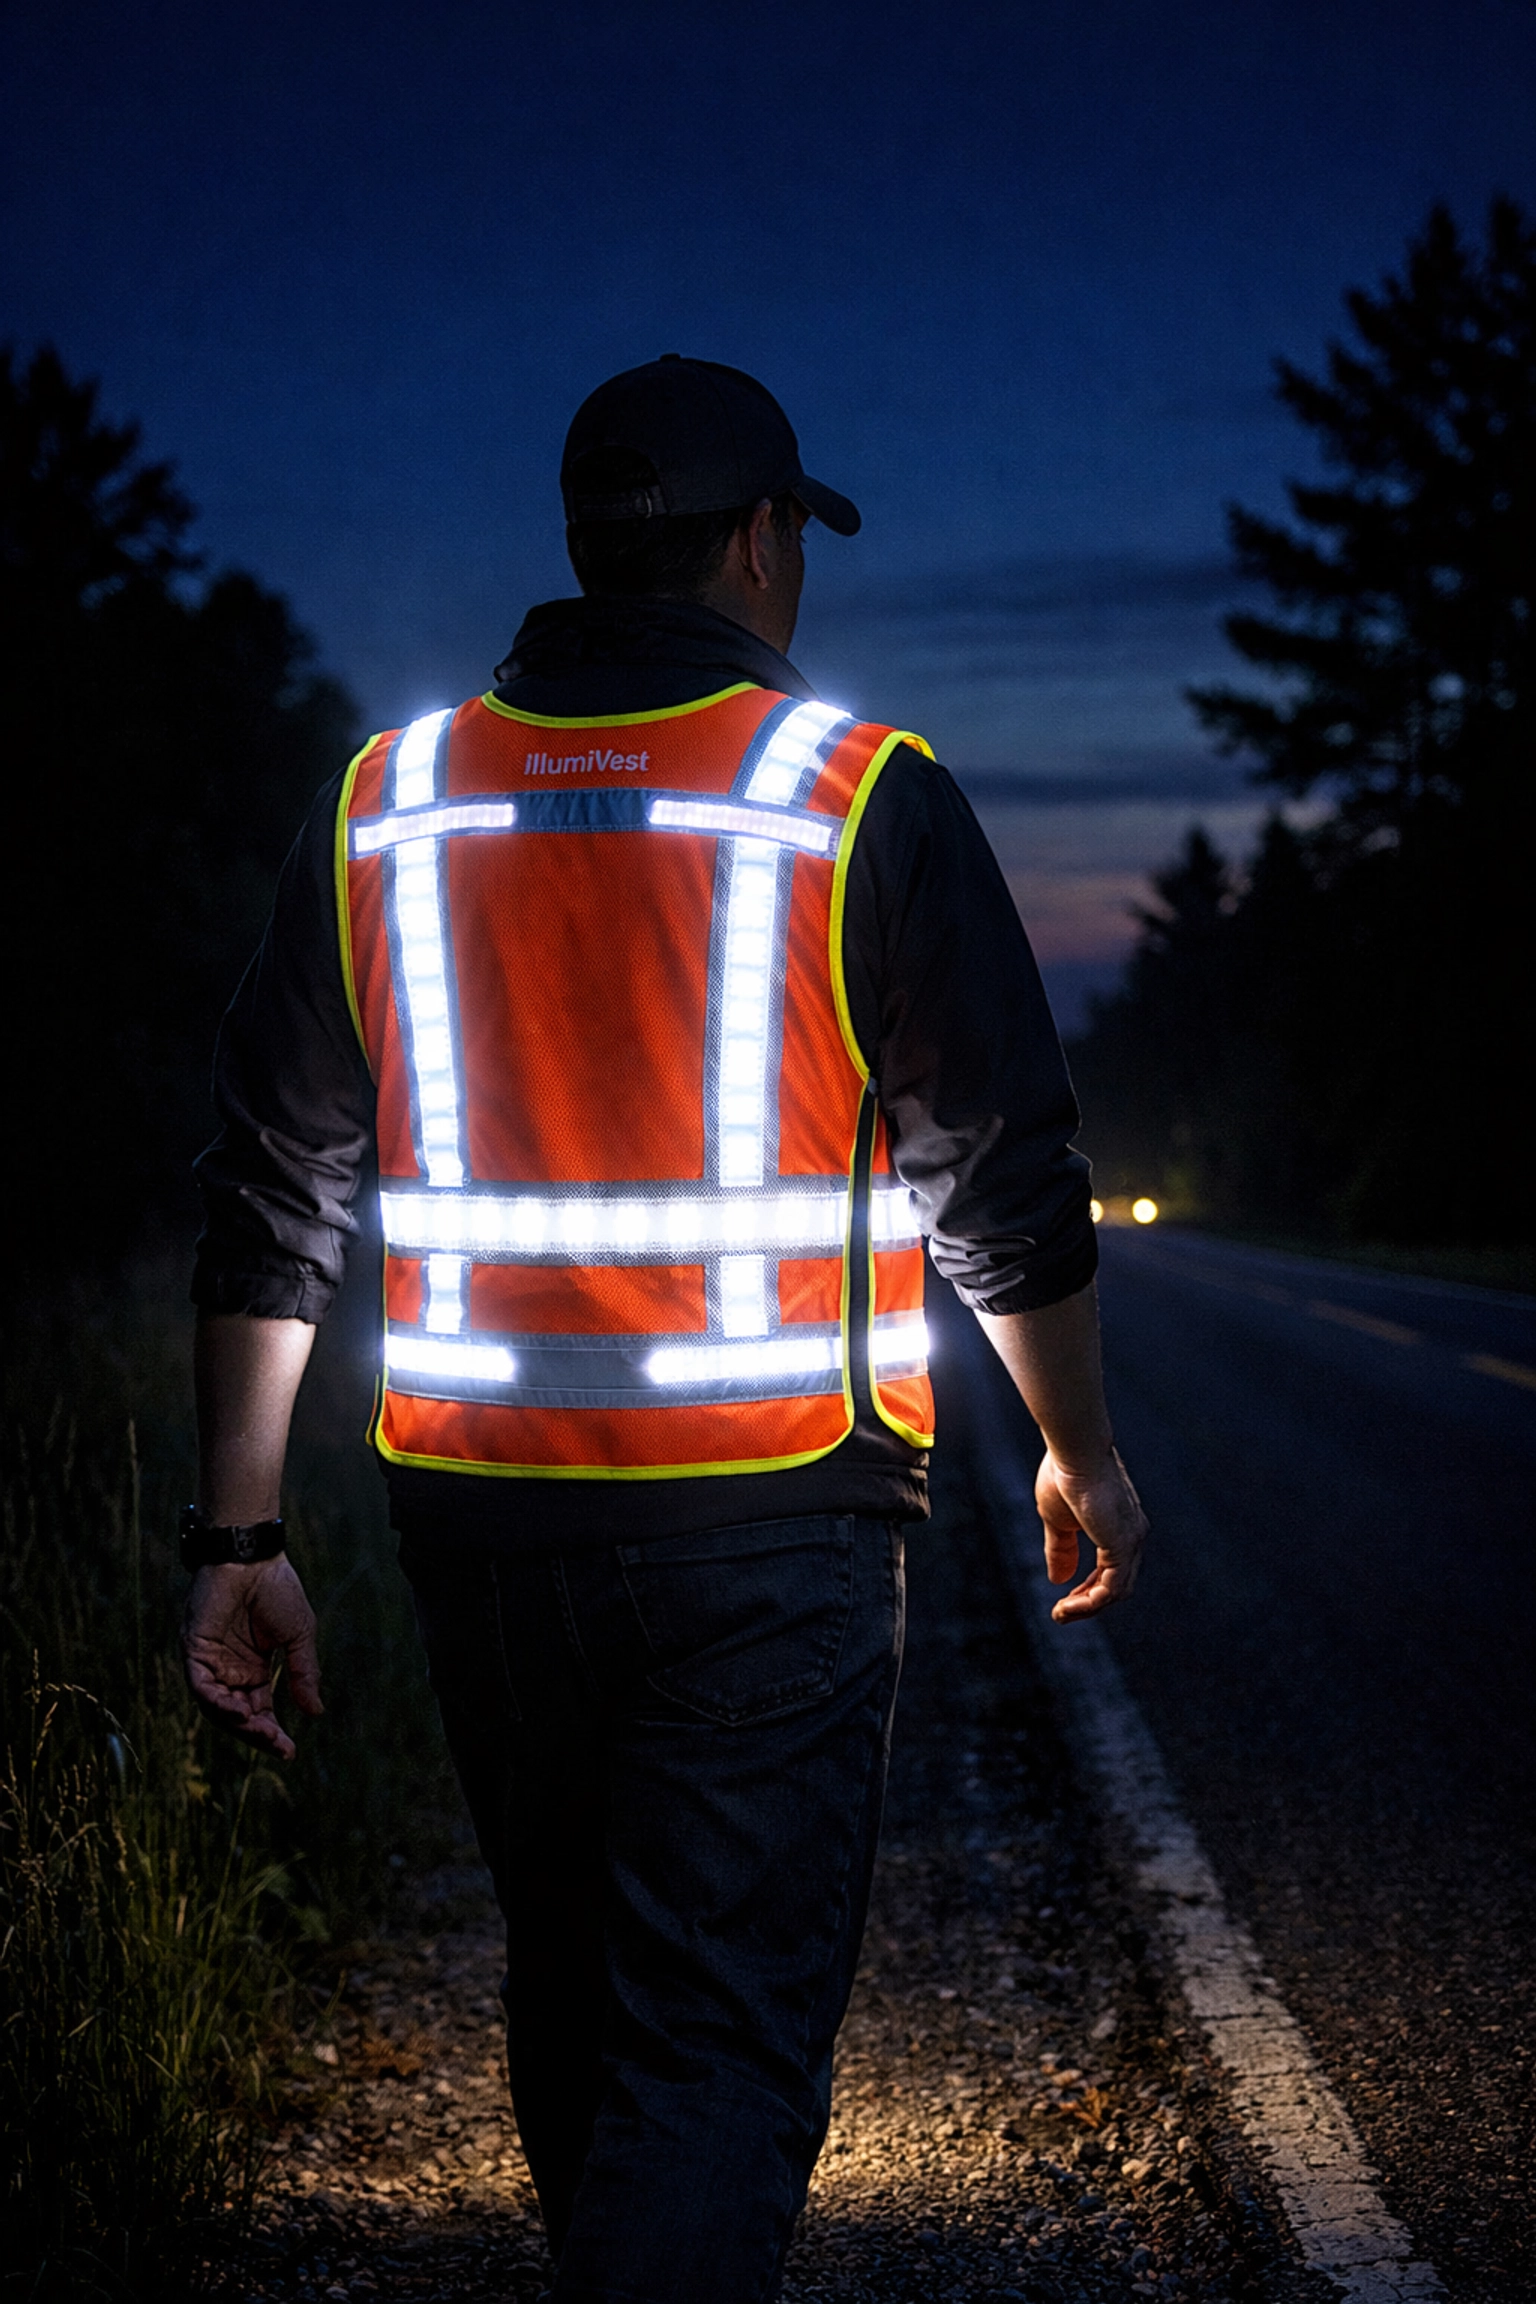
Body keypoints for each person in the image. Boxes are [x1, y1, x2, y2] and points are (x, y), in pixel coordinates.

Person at [181, 355, 1147, 2302]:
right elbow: (1004, 1175)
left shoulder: (390, 802)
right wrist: (1082, 1448)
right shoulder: (852, 795)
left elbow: (273, 1183)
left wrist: (241, 1534)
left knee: (580, 1988)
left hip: (476, 1525)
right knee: (712, 2050)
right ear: (758, 545)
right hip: (775, 1528)